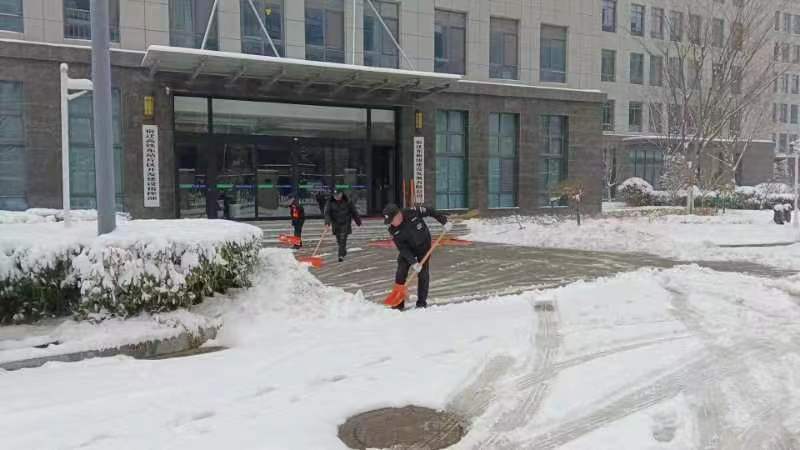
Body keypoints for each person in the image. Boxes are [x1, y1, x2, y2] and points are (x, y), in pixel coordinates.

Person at [382, 203, 452, 310]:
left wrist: (444, 221)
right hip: (408, 249)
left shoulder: (412, 211)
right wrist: (413, 262)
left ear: (398, 214)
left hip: (424, 245)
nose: (391, 223)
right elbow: (403, 249)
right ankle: (398, 303)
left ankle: (421, 303)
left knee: (423, 273)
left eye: (392, 220)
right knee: (401, 271)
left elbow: (430, 210)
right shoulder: (393, 230)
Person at [325, 190, 362, 262]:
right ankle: (343, 251)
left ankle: (340, 255)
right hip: (336, 224)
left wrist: (358, 221)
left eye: (338, 195)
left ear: (341, 194)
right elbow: (327, 213)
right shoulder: (330, 202)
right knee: (339, 240)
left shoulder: (348, 201)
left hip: (345, 223)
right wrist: (327, 222)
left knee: (343, 238)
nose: (336, 196)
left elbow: (354, 211)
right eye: (335, 195)